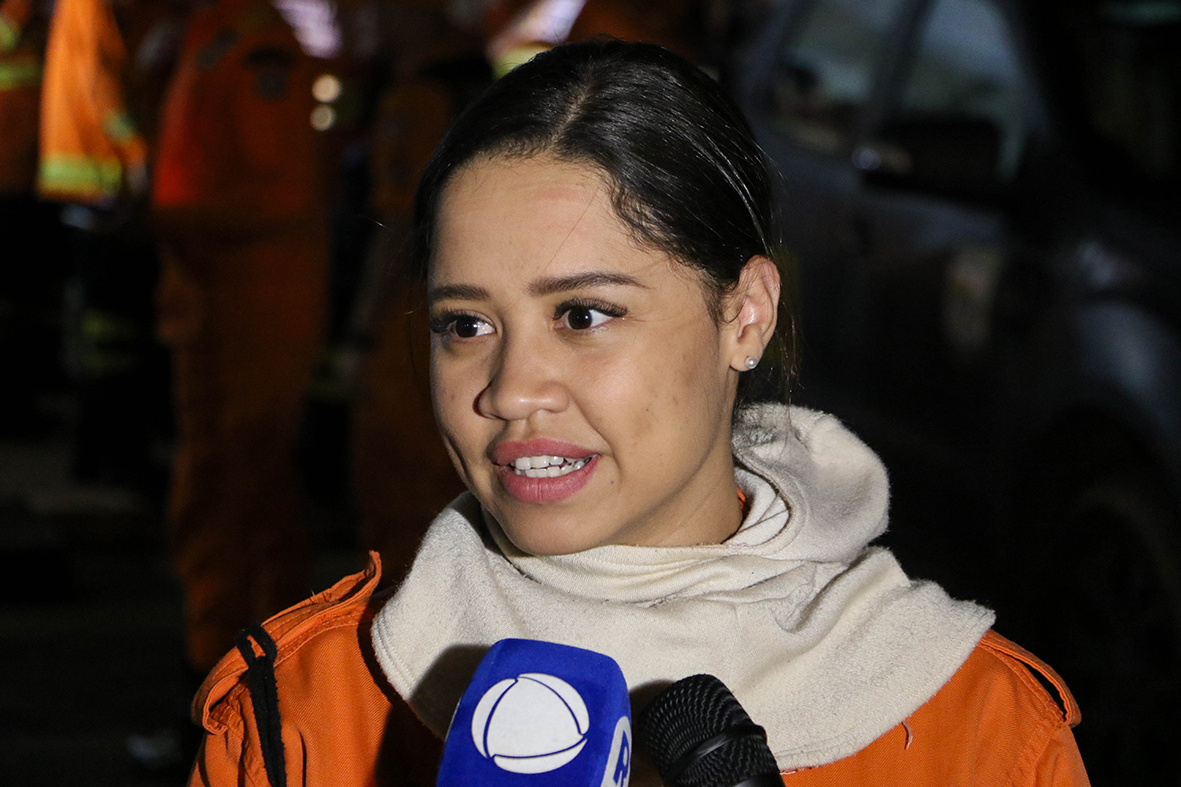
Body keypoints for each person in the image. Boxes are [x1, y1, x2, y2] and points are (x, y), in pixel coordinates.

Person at [186, 40, 1089, 786]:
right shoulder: (306, 712)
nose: (510, 390)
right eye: (466, 324)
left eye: (583, 315)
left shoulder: (977, 731)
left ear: (745, 315)